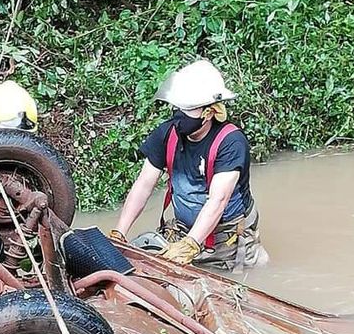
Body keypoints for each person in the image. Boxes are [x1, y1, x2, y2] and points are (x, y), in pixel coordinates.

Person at [111, 59, 268, 271]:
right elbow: (144, 184)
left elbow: (218, 200)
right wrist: (119, 234)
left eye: (188, 109)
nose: (179, 115)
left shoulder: (231, 143)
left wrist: (190, 245)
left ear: (210, 111)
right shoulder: (168, 134)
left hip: (226, 240)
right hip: (183, 229)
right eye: (177, 107)